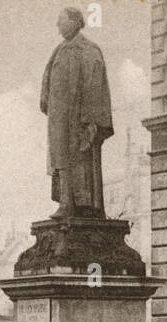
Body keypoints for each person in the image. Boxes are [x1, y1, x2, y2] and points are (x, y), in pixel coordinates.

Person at [42, 6, 114, 218]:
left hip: (78, 119)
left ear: (74, 22)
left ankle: (82, 205)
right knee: (60, 159)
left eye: (61, 21)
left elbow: (95, 85)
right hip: (59, 118)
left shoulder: (89, 49)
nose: (57, 25)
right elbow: (47, 78)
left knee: (80, 160)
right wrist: (47, 98)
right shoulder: (60, 50)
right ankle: (66, 202)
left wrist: (88, 119)